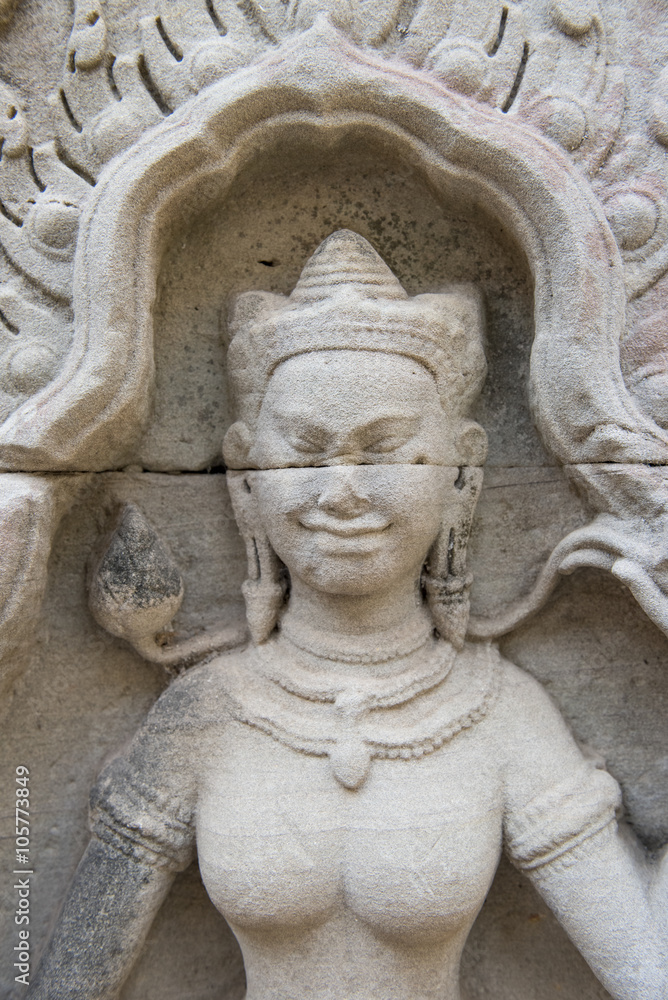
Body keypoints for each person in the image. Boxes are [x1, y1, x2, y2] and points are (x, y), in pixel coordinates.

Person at [28, 231, 667, 1000]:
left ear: (462, 474)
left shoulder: (499, 715)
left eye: (385, 449)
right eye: (303, 451)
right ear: (244, 478)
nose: (341, 491)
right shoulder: (205, 713)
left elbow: (649, 972)